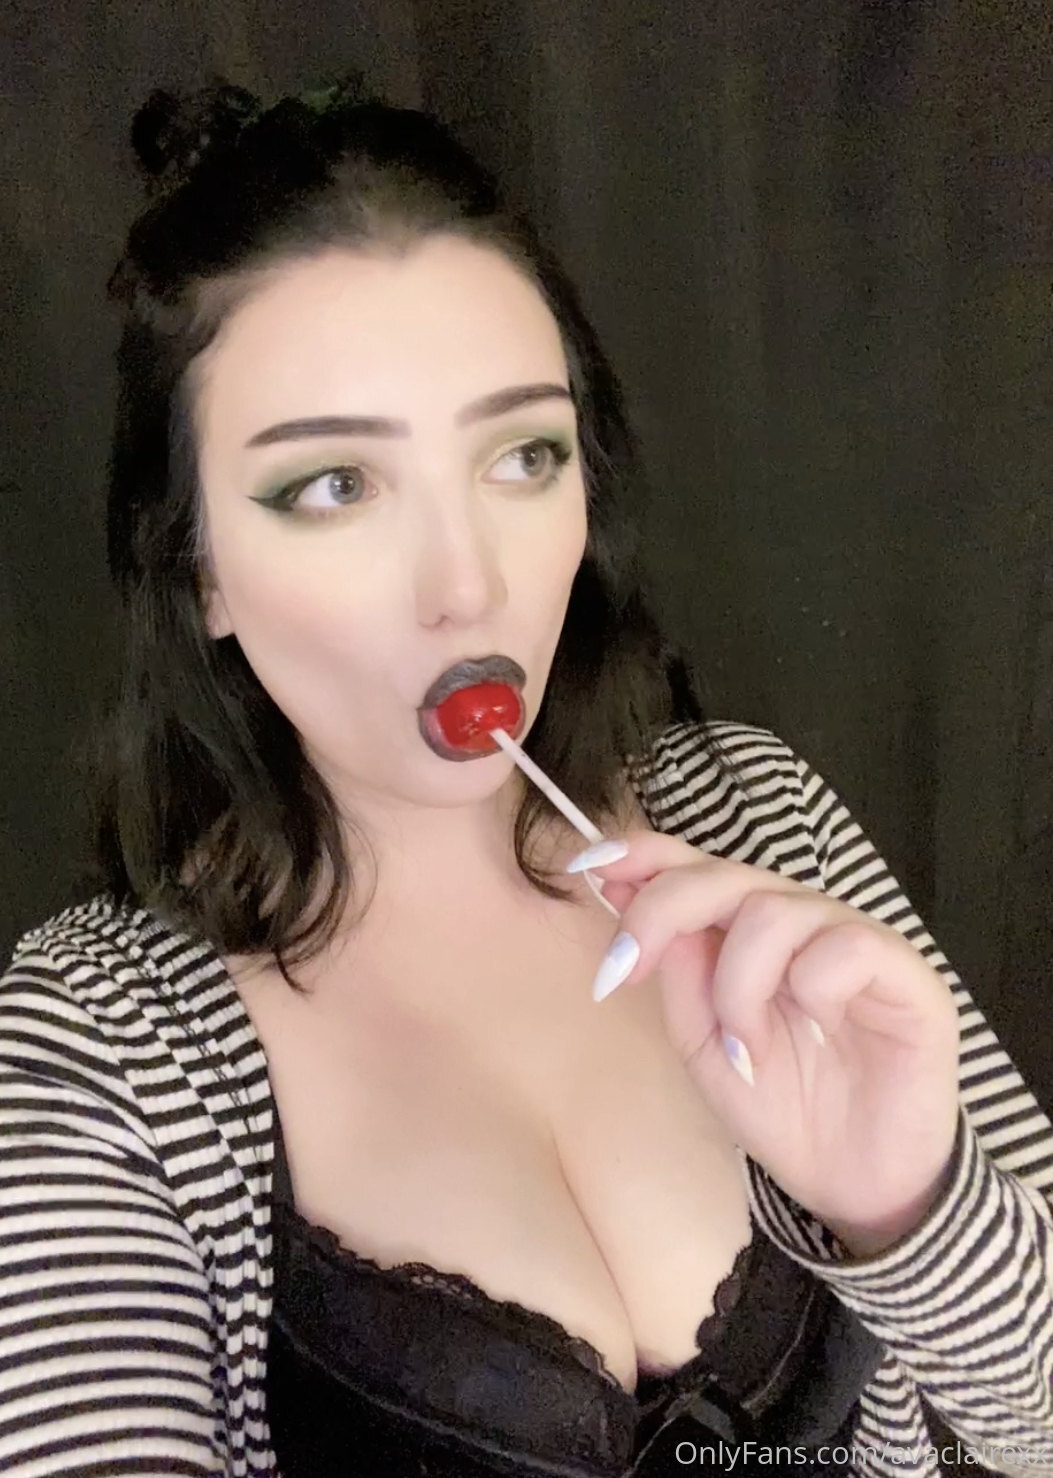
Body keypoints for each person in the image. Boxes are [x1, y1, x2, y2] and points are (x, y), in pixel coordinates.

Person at [1, 74, 1050, 1478]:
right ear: (202, 575)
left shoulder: (756, 813)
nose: (468, 583)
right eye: (333, 485)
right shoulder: (104, 1036)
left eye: (522, 455)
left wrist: (913, 1212)